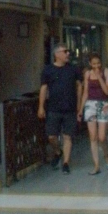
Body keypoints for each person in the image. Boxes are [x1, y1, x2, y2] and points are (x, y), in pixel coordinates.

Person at [38, 44, 82, 174]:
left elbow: (79, 86)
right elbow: (43, 88)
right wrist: (41, 107)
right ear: (57, 54)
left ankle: (66, 163)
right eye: (65, 51)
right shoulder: (48, 70)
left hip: (70, 107)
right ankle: (58, 151)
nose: (68, 54)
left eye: (68, 51)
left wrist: (79, 105)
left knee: (67, 136)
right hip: (53, 108)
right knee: (51, 136)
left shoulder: (73, 69)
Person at [80, 52, 108, 175]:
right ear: (90, 64)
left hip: (103, 104)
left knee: (102, 137)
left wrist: (99, 77)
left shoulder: (106, 72)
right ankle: (96, 165)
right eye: (94, 64)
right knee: (93, 137)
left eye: (98, 63)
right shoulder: (87, 74)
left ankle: (106, 155)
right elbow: (85, 93)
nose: (96, 66)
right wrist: (81, 109)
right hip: (90, 105)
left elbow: (107, 91)